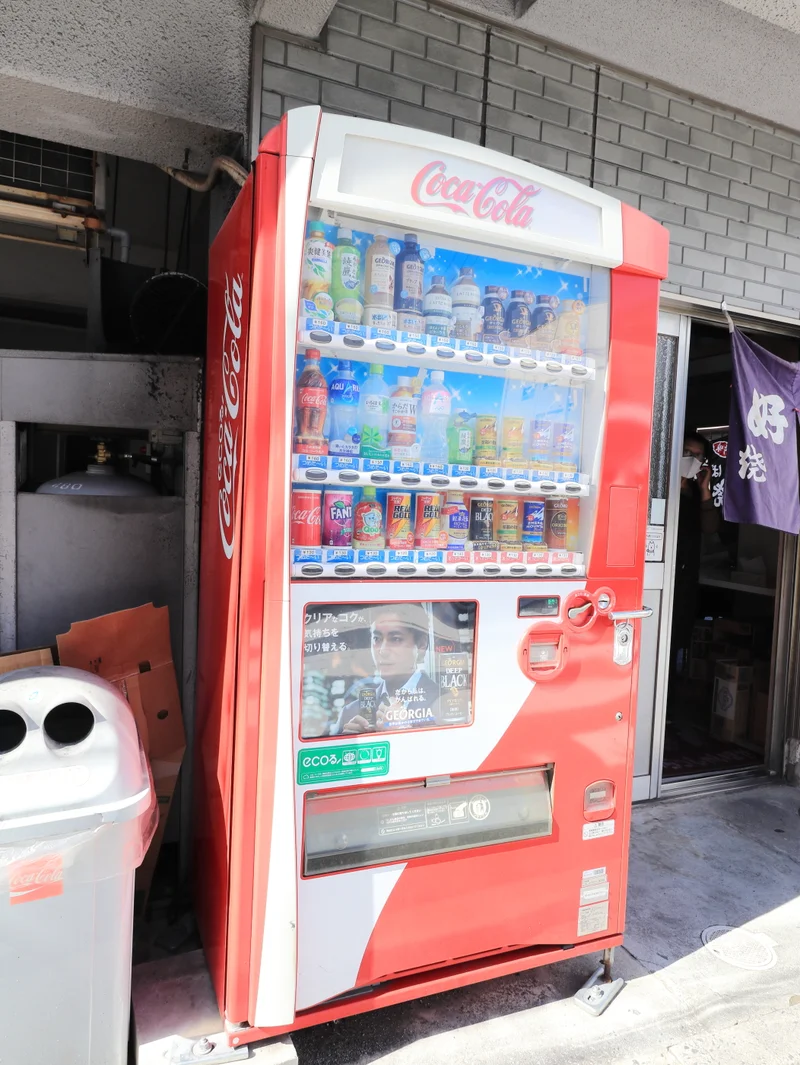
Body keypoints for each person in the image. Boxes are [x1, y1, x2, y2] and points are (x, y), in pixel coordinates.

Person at [669, 432, 721, 697]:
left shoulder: (696, 491)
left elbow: (710, 529)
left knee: (679, 638)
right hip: (664, 579)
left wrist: (704, 490)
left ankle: (672, 700)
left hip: (687, 579)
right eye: (687, 453)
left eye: (697, 456)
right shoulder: (662, 485)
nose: (692, 459)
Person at [337, 603, 440, 734]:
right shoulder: (350, 712)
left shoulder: (444, 702)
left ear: (421, 645)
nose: (383, 650)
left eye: (395, 639)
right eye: (376, 639)